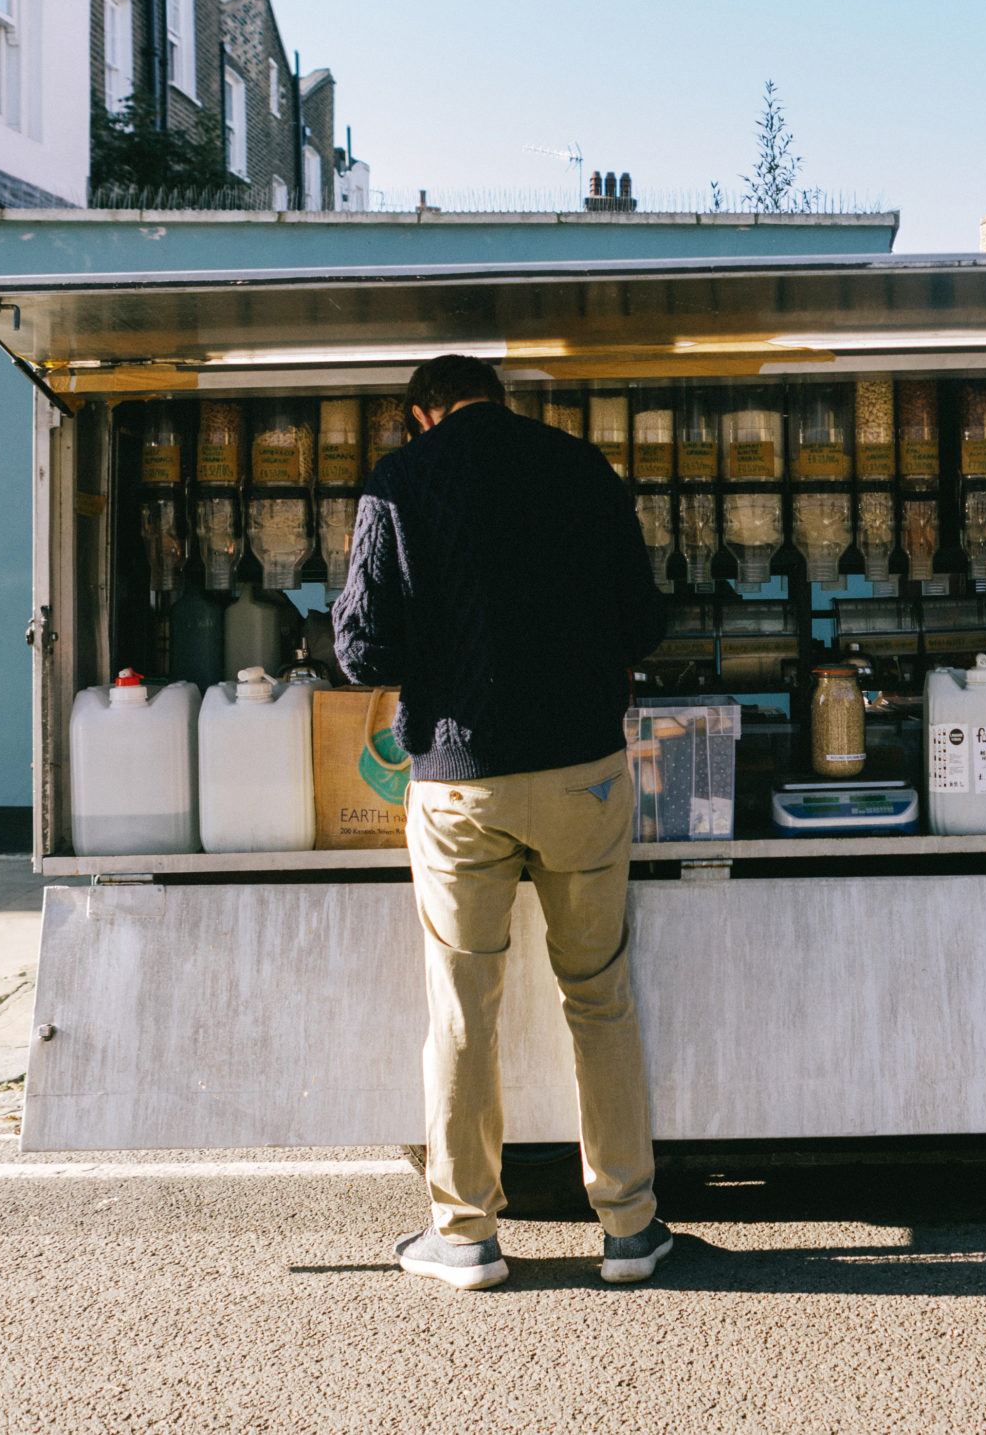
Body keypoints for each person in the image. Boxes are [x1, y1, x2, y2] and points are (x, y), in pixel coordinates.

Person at [333, 354, 672, 1289]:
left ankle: (466, 1233)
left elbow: (360, 650)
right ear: (501, 399)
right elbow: (644, 621)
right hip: (585, 779)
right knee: (599, 996)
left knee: (462, 1003)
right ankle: (631, 1228)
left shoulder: (399, 483)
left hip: (460, 785)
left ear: (418, 414)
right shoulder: (579, 466)